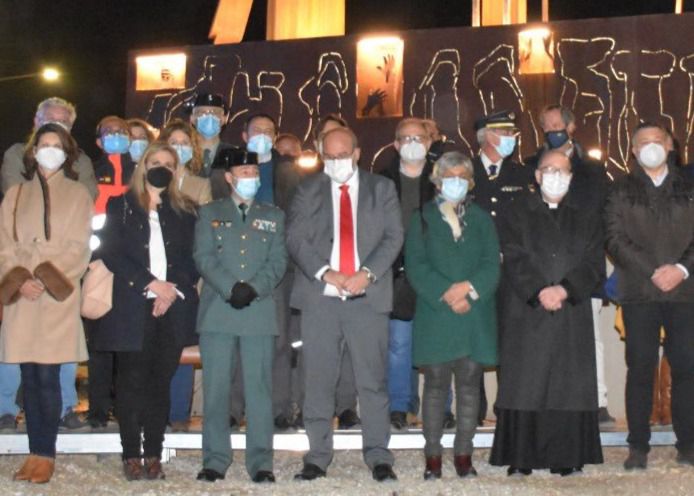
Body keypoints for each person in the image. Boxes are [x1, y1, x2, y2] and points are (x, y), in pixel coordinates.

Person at [287, 127, 403, 482]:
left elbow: (393, 236)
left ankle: (379, 455)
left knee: (372, 380)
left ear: (356, 153)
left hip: (368, 296)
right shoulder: (308, 189)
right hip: (321, 297)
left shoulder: (381, 188)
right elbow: (294, 236)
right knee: (318, 379)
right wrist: (326, 272)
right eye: (329, 157)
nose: (335, 163)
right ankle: (318, 455)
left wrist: (366, 273)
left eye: (342, 156)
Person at [490, 150, 604, 476]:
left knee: (568, 384)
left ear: (572, 176)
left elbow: (594, 263)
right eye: (549, 170)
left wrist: (564, 289)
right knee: (526, 382)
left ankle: (566, 457)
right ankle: (522, 458)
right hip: (526, 309)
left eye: (563, 170)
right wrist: (540, 290)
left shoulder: (587, 215)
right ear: (537, 176)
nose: (556, 175)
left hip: (571, 309)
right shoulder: (514, 211)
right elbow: (513, 255)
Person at [93, 142, 199, 480]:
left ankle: (154, 452)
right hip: (131, 304)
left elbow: (191, 259)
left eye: (169, 163)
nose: (162, 168)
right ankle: (130, 455)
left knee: (159, 382)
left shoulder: (186, 210)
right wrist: (151, 283)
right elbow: (111, 251)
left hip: (172, 305)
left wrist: (170, 291)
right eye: (156, 161)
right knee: (130, 382)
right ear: (143, 164)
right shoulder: (120, 204)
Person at [0, 123, 92, 483]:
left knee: (48, 375)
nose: (49, 150)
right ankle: (33, 450)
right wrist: (20, 280)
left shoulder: (79, 194)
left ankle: (46, 454)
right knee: (29, 374)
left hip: (56, 295)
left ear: (67, 152)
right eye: (43, 144)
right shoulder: (16, 194)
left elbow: (79, 247)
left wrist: (43, 276)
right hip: (24, 296)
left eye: (56, 144)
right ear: (33, 151)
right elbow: (4, 245)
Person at [194, 148, 287, 484]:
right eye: (244, 172)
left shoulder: (273, 215)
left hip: (258, 312)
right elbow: (203, 257)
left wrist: (254, 289)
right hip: (219, 311)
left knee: (259, 389)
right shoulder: (209, 212)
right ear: (229, 177)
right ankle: (215, 460)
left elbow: (278, 261)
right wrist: (230, 288)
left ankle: (261, 462)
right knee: (216, 390)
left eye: (254, 172)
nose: (251, 178)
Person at [406, 151, 500, 479]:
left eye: (462, 176)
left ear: (470, 182)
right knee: (434, 386)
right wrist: (447, 292)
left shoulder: (483, 220)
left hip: (474, 314)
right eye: (449, 177)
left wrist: (469, 290)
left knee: (470, 385)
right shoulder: (421, 218)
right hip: (437, 314)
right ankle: (432, 455)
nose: (456, 182)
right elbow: (416, 265)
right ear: (436, 181)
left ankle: (464, 454)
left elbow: (492, 263)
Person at [605, 122, 694, 470]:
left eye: (657, 141)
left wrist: (681, 269)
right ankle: (638, 445)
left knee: (687, 368)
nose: (651, 147)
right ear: (632, 150)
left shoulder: (689, 184)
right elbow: (613, 237)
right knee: (640, 367)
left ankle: (687, 442)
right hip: (640, 291)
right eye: (643, 143)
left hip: (686, 291)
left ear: (670, 145)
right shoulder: (620, 190)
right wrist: (653, 271)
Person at [526, 104, 614, 423]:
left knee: (591, 339)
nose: (552, 131)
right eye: (546, 126)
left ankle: (597, 401)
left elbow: (601, 218)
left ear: (571, 127)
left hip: (582, 266)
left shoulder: (592, 169)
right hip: (540, 269)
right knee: (539, 338)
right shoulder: (530, 166)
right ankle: (544, 400)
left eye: (557, 124)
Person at [471, 110, 534, 425]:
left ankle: (507, 407)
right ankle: (474, 410)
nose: (511, 138)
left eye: (512, 133)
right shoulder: (462, 173)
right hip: (473, 272)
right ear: (486, 136)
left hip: (512, 273)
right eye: (504, 132)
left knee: (511, 339)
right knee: (474, 340)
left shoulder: (523, 176)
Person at [379, 117, 436, 430]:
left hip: (435, 272)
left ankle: (440, 407)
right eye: (406, 138)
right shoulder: (382, 180)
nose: (413, 143)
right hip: (396, 271)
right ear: (396, 144)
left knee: (437, 341)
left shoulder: (443, 179)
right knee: (399, 343)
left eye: (419, 137)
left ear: (428, 143)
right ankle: (399, 405)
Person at [158, 119, 212, 432]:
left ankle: (178, 414)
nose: (178, 148)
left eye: (183, 143)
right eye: (172, 141)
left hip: (188, 277)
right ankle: (153, 412)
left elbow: (204, 235)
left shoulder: (200, 186)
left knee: (180, 345)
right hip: (152, 277)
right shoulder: (148, 181)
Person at [86, 115, 135, 430]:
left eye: (122, 131)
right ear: (99, 141)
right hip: (97, 262)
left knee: (129, 340)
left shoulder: (140, 169)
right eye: (109, 132)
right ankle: (98, 410)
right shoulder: (89, 171)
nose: (116, 135)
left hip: (132, 264)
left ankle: (127, 406)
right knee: (99, 340)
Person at [189, 93, 235, 200]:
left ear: (224, 119)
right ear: (192, 119)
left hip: (224, 214)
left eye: (215, 112)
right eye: (202, 113)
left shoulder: (234, 154)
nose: (209, 117)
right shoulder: (184, 152)